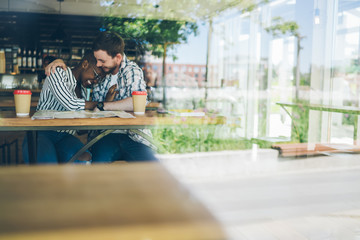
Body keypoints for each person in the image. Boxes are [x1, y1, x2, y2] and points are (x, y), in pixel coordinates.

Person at [46, 32, 158, 163]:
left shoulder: (132, 71)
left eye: (102, 60)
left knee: (153, 168)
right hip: (104, 136)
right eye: (97, 60)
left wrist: (104, 105)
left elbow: (137, 102)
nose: (98, 64)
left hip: (134, 136)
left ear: (117, 57)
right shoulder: (99, 75)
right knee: (96, 169)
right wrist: (59, 62)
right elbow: (80, 100)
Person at [23, 50, 107, 164]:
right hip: (42, 133)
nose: (95, 81)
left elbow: (81, 130)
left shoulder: (82, 89)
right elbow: (70, 104)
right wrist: (100, 104)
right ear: (85, 64)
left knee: (85, 158)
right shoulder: (57, 72)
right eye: (96, 75)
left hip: (65, 136)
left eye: (99, 79)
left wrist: (106, 104)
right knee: (47, 170)